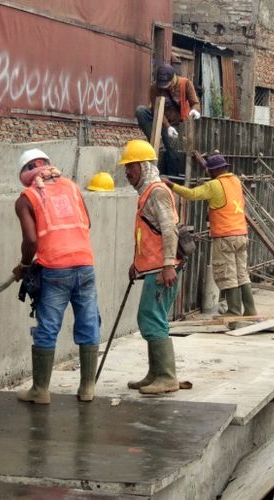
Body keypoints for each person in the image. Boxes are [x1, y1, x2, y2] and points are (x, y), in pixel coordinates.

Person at [12, 148, 101, 404]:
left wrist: (24, 265)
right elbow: (88, 223)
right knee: (88, 322)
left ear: (25, 174)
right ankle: (87, 389)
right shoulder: (72, 187)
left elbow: (30, 240)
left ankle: (40, 390)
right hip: (84, 263)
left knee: (48, 326)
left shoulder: (26, 198)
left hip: (54, 269)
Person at [118, 139, 182, 395]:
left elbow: (169, 230)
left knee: (151, 318)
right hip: (152, 268)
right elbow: (148, 236)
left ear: (143, 167)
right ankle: (155, 373)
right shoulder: (147, 193)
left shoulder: (156, 192)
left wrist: (168, 265)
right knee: (151, 318)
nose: (127, 172)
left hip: (162, 270)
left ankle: (166, 376)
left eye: (131, 167)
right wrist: (137, 265)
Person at [162, 151, 257, 317]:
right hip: (241, 234)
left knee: (227, 274)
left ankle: (234, 311)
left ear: (214, 171)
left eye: (209, 171)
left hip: (225, 236)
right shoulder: (235, 181)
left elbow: (191, 194)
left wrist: (170, 184)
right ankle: (250, 310)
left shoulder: (214, 186)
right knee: (242, 273)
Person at [135, 64, 201, 177]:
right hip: (157, 118)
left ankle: (172, 180)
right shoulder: (154, 88)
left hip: (174, 123)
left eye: (167, 84)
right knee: (140, 111)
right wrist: (166, 126)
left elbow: (195, 102)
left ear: (173, 78)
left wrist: (195, 111)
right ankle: (155, 140)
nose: (164, 87)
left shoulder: (185, 84)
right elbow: (156, 109)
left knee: (172, 151)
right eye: (162, 85)